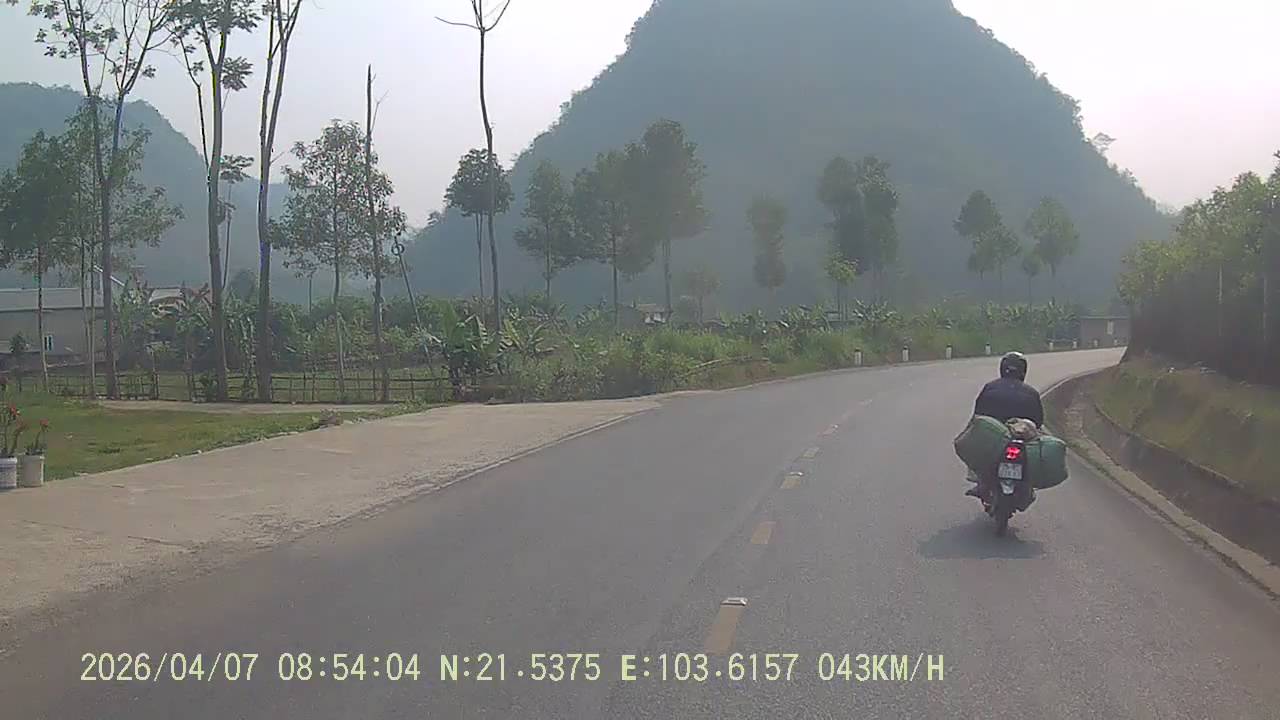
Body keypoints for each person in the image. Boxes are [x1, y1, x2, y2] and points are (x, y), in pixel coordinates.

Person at [965, 352, 1044, 499]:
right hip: (1020, 438)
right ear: (1023, 371)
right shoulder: (1032, 393)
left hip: (995, 437)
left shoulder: (990, 387)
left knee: (977, 445)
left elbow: (978, 415)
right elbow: (1038, 421)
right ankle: (1027, 487)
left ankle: (980, 483)